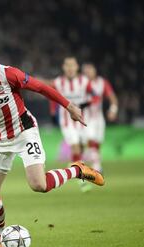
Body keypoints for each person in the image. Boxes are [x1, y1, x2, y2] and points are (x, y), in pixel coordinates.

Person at [0, 34, 104, 247]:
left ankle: (77, 170)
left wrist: (69, 106)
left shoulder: (8, 74)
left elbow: (41, 88)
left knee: (39, 185)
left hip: (23, 131)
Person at [50, 57, 95, 192]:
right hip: (67, 122)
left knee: (81, 148)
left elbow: (95, 96)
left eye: (72, 65)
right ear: (64, 67)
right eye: (67, 65)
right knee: (75, 147)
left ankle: (73, 166)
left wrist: (86, 104)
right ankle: (82, 180)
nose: (70, 68)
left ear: (77, 67)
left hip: (82, 121)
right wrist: (53, 112)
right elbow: (53, 98)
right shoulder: (58, 82)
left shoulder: (84, 81)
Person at [82, 63, 118, 172]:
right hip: (85, 117)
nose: (88, 72)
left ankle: (93, 162)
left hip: (99, 118)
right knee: (91, 140)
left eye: (90, 70)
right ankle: (97, 167)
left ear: (95, 71)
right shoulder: (81, 83)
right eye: (86, 71)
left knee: (97, 143)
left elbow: (113, 98)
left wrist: (113, 110)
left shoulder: (102, 83)